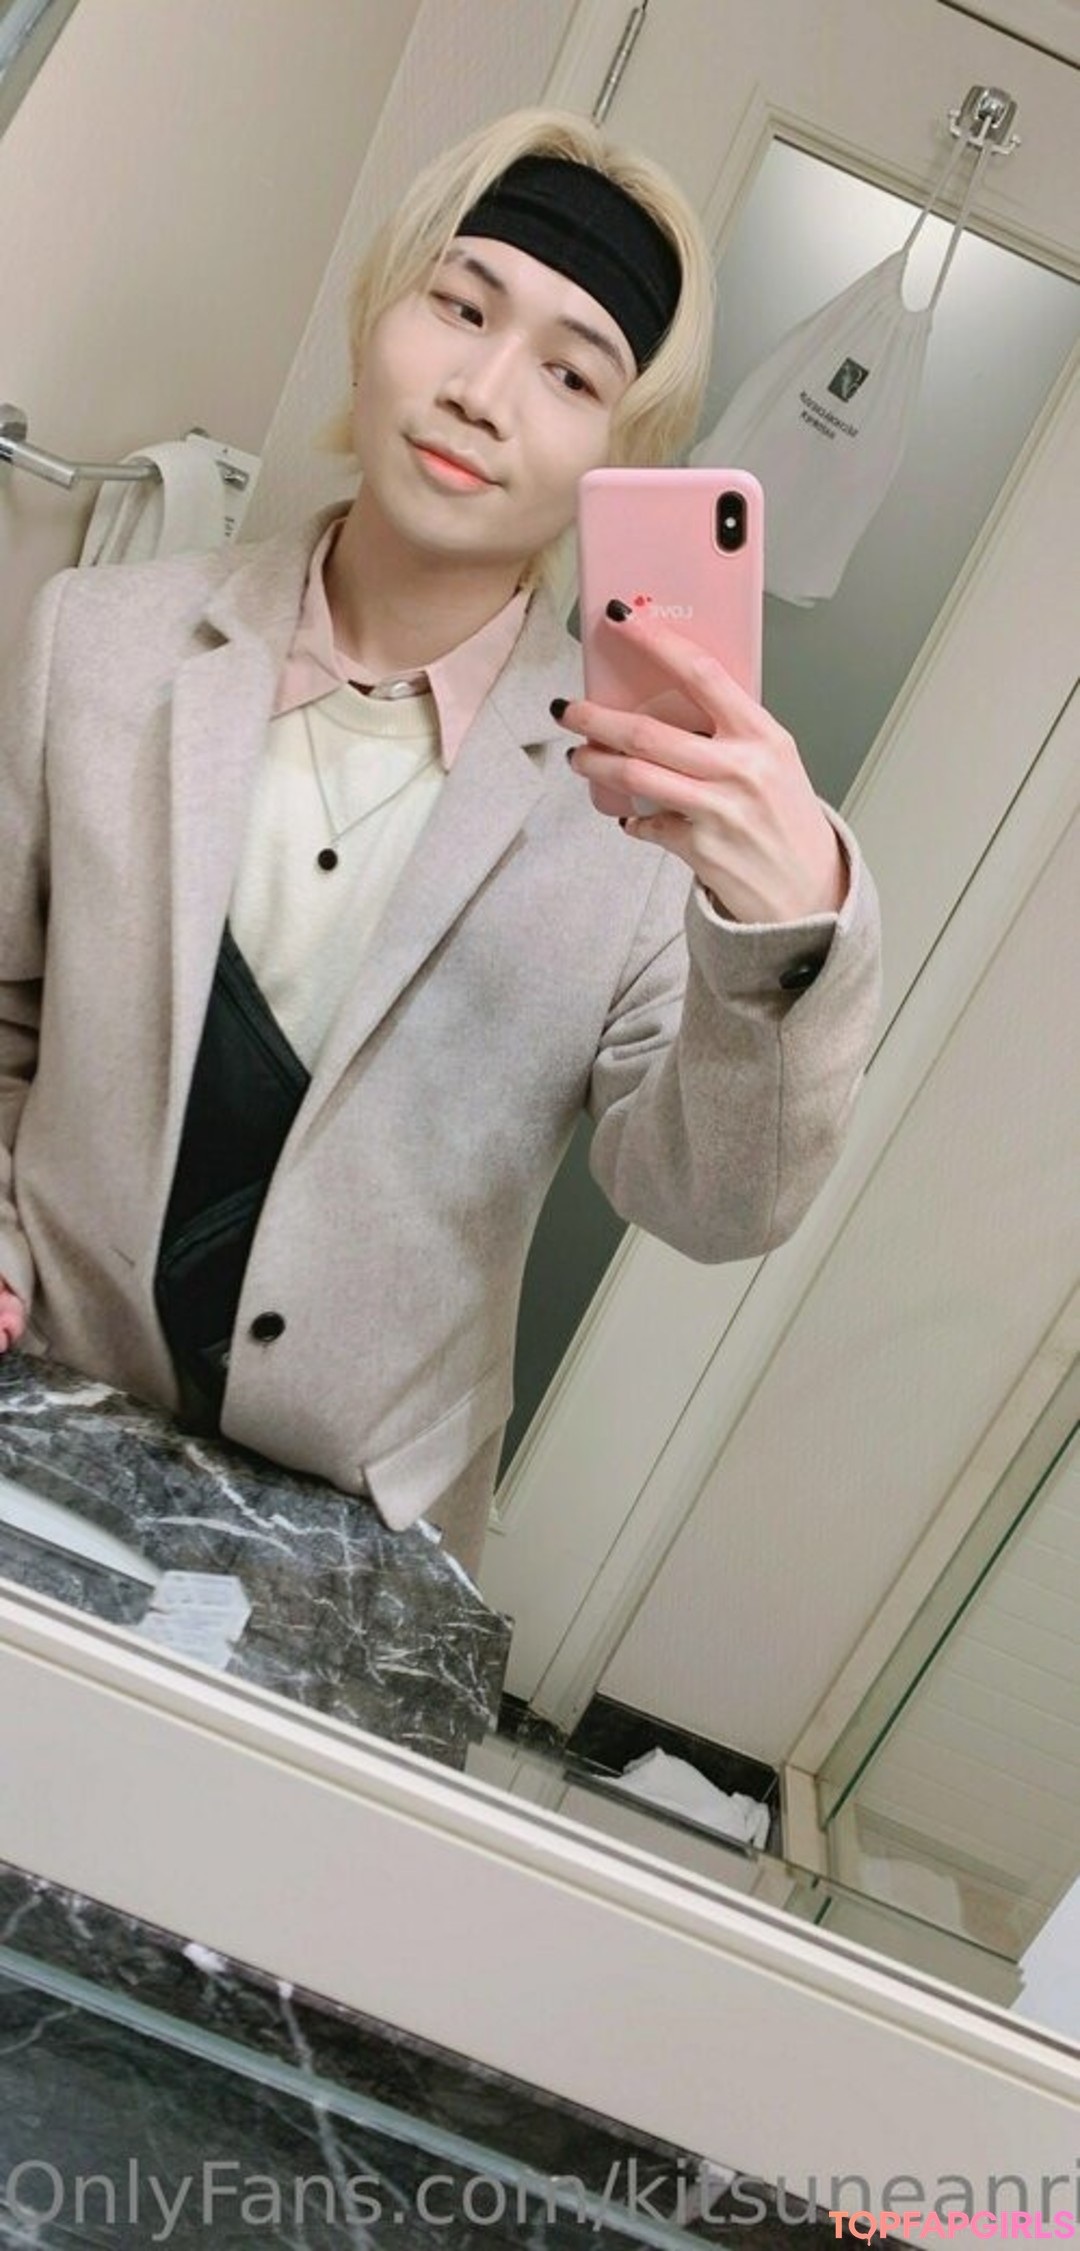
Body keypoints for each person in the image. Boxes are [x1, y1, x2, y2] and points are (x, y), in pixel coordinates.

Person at [0, 109, 882, 1579]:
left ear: (620, 455)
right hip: (40, 1408)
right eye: (461, 308)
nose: (482, 393)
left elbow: (714, 1205)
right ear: (375, 320)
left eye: (572, 372)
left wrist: (783, 944)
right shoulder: (95, 644)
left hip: (361, 1538)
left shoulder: (645, 802)